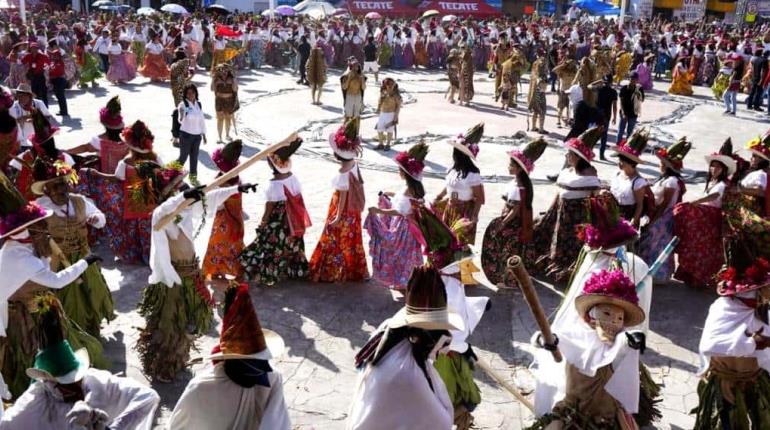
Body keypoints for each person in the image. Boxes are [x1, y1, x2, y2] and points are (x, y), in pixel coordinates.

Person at [139, 161, 256, 382]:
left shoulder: (184, 210)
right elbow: (163, 211)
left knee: (188, 324)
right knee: (171, 325)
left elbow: (209, 198)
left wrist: (235, 189)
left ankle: (179, 360)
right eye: (177, 186)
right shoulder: (161, 215)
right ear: (168, 194)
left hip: (192, 272)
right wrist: (183, 198)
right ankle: (164, 367)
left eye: (182, 185)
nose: (182, 188)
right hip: (175, 279)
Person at [0, 171, 105, 399]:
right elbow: (56, 281)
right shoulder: (18, 257)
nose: (45, 229)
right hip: (18, 317)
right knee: (28, 357)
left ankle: (64, 378)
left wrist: (44, 250)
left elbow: (45, 268)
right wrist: (85, 262)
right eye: (39, 226)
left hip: (39, 307)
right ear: (26, 232)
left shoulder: (26, 247)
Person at [0, 294, 159, 429]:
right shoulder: (37, 398)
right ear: (47, 381)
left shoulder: (97, 382)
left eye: (75, 380)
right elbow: (7, 425)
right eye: (65, 383)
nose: (73, 387)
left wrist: (110, 427)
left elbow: (149, 397)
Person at [531, 262, 651, 429]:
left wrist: (635, 339)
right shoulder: (578, 336)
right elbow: (555, 338)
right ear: (590, 315)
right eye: (607, 313)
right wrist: (547, 341)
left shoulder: (621, 342)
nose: (613, 321)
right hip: (573, 413)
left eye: (619, 318)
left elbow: (622, 346)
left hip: (608, 417)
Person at [347, 265, 461, 430]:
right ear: (427, 335)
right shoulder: (408, 375)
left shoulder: (390, 333)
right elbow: (441, 423)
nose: (443, 349)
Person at [168, 282, 290, 429]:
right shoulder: (272, 377)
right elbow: (278, 424)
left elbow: (179, 426)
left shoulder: (200, 387)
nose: (260, 370)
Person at [30, 159, 114, 338]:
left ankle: (92, 329)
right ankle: (72, 334)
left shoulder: (79, 201)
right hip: (59, 263)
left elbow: (101, 218)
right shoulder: (39, 208)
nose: (62, 190)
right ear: (46, 189)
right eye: (56, 187)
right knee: (69, 300)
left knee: (92, 293)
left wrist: (96, 220)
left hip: (85, 257)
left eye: (64, 185)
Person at [692, 244, 770, 429]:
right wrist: (751, 344)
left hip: (754, 380)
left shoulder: (761, 311)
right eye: (765, 288)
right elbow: (710, 345)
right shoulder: (722, 308)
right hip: (724, 383)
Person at [532, 127, 602, 283]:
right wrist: (550, 211)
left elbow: (595, 198)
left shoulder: (590, 176)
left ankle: (568, 273)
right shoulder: (567, 172)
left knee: (570, 246)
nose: (567, 156)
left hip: (575, 220)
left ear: (578, 157)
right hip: (560, 214)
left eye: (570, 154)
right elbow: (558, 193)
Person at [240, 139, 310, 286]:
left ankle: (268, 271)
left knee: (270, 244)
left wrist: (264, 220)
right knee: (291, 243)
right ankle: (293, 270)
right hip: (293, 219)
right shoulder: (293, 178)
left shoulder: (274, 184)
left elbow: (270, 205)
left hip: (279, 220)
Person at [308, 120, 368, 283]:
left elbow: (342, 196)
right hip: (353, 209)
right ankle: (354, 269)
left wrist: (337, 216)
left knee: (336, 238)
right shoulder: (354, 165)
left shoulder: (343, 172)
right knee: (352, 239)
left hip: (343, 209)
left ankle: (333, 271)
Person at [481, 137, 545, 287]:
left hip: (513, 223)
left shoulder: (519, 186)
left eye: (511, 164)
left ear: (518, 168)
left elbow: (515, 210)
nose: (508, 166)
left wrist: (502, 224)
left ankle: (506, 278)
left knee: (502, 248)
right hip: (512, 220)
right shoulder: (517, 183)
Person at [364, 141, 428, 290]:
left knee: (399, 253)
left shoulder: (408, 189)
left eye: (400, 170)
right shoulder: (414, 187)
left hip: (403, 228)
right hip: (411, 227)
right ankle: (407, 279)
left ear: (405, 173)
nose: (398, 172)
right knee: (407, 255)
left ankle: (404, 281)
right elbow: (404, 200)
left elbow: (399, 211)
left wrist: (378, 211)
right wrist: (390, 194)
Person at [673, 139, 736, 288]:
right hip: (704, 220)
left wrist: (693, 203)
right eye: (712, 166)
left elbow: (712, 197)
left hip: (710, 222)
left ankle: (700, 279)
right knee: (695, 246)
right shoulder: (713, 182)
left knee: (703, 250)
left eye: (717, 167)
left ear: (724, 169)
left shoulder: (722, 185)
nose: (714, 169)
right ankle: (690, 276)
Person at [639, 137, 691, 283]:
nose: (659, 166)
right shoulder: (665, 179)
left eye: (661, 164)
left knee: (657, 243)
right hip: (660, 215)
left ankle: (657, 275)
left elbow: (664, 203)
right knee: (653, 243)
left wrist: (654, 218)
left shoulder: (671, 182)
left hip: (664, 216)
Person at [432, 123, 485, 247]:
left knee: (458, 246)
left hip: (463, 212)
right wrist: (439, 196)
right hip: (450, 209)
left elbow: (480, 198)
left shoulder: (473, 174)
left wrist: (474, 216)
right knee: (446, 244)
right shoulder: (453, 169)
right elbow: (449, 186)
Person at [202, 140, 247, 282]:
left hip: (223, 219)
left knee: (217, 245)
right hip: (236, 218)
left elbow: (214, 202)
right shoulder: (237, 179)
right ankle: (235, 270)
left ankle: (216, 270)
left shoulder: (222, 183)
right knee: (234, 245)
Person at [609, 128, 650, 226]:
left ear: (631, 163)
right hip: (611, 216)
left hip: (626, 220)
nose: (619, 163)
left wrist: (633, 222)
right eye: (619, 159)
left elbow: (640, 205)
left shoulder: (638, 182)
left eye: (622, 160)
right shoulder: (617, 174)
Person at [8, 83, 55, 150]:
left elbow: (48, 117)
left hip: (40, 140)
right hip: (23, 142)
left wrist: (38, 119)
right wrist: (24, 118)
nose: (21, 98)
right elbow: (10, 124)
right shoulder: (13, 107)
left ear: (29, 96)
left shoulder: (39, 104)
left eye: (24, 96)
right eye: (19, 95)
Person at [177, 83, 207, 179]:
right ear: (185, 94)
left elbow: (201, 120)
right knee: (183, 158)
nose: (190, 95)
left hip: (197, 137)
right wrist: (182, 115)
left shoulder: (198, 104)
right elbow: (180, 119)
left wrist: (204, 134)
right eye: (188, 93)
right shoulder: (183, 104)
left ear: (195, 93)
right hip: (186, 136)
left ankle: (193, 178)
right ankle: (169, 173)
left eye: (192, 93)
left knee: (194, 158)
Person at [211, 63, 239, 143]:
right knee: (220, 119)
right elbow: (212, 89)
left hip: (229, 101)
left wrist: (234, 79)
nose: (224, 72)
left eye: (226, 70)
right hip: (219, 101)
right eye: (222, 71)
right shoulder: (217, 79)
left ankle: (227, 135)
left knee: (228, 118)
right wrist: (213, 79)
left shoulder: (231, 79)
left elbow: (235, 90)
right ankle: (219, 137)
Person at [594, 74, 618, 160]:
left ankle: (589, 153)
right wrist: (614, 117)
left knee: (594, 134)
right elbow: (614, 106)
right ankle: (601, 155)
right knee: (604, 135)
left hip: (597, 115)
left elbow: (589, 86)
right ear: (611, 82)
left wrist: (599, 81)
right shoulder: (613, 92)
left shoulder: (598, 89)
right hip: (606, 116)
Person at [374, 77, 401, 151]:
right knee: (380, 129)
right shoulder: (383, 92)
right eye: (388, 85)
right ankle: (381, 144)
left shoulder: (396, 95)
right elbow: (380, 101)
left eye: (391, 85)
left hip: (391, 114)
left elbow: (398, 106)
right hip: (383, 113)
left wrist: (396, 116)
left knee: (389, 130)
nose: (390, 86)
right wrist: (378, 109)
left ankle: (388, 144)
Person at [552, 54, 578, 128]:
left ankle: (567, 121)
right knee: (561, 107)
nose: (572, 65)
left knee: (569, 108)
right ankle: (558, 121)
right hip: (564, 91)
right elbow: (554, 70)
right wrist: (564, 64)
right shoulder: (562, 72)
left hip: (571, 91)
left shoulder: (574, 72)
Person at [618, 71, 644, 142]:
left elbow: (642, 100)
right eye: (632, 79)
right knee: (620, 131)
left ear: (637, 80)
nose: (633, 81)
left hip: (633, 114)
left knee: (629, 133)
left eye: (635, 79)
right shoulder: (624, 89)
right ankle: (618, 145)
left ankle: (626, 148)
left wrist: (638, 94)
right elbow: (621, 101)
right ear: (629, 79)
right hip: (624, 113)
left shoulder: (639, 89)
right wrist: (623, 113)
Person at [528, 49, 549, 134]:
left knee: (535, 109)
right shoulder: (541, 62)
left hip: (533, 90)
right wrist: (545, 80)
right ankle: (541, 129)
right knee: (542, 109)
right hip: (540, 90)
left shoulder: (534, 63)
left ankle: (533, 127)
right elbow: (541, 76)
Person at [341, 57, 366, 125]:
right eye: (354, 66)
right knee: (347, 116)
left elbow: (363, 88)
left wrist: (362, 80)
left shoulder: (361, 76)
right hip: (350, 96)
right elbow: (344, 87)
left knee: (357, 117)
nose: (356, 68)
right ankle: (344, 132)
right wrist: (349, 78)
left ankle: (356, 133)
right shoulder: (346, 75)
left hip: (358, 97)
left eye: (357, 66)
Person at [45, 40, 67, 117]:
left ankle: (64, 111)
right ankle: (62, 110)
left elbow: (56, 70)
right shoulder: (53, 62)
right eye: (53, 55)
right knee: (58, 96)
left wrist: (50, 69)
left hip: (59, 80)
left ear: (58, 56)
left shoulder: (59, 62)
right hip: (55, 81)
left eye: (55, 55)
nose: (53, 56)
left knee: (60, 96)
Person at [306, 41, 327, 106]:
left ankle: (313, 100)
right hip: (320, 74)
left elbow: (307, 66)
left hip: (312, 74)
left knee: (313, 88)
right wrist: (324, 73)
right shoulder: (322, 58)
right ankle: (318, 100)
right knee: (320, 88)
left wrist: (308, 72)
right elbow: (325, 66)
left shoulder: (311, 58)